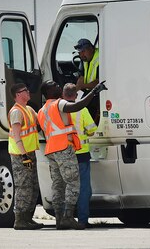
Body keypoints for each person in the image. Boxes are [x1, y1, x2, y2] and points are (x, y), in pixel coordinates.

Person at [37, 80, 103, 230]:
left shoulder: (42, 110)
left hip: (51, 150)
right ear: (49, 92)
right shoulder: (58, 104)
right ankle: (68, 217)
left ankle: (59, 219)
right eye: (55, 85)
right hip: (63, 148)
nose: (58, 86)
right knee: (74, 183)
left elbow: (40, 128)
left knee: (58, 185)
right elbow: (77, 106)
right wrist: (94, 92)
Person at [7, 83, 43, 230]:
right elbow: (16, 135)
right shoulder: (16, 112)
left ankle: (28, 218)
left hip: (29, 153)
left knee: (33, 186)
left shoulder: (28, 109)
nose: (28, 92)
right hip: (20, 155)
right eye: (25, 91)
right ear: (18, 95)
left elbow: (39, 122)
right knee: (23, 186)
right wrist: (24, 156)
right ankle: (20, 220)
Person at [63, 84, 98, 228]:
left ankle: (65, 218)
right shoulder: (82, 110)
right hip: (82, 154)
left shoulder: (59, 111)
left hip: (64, 154)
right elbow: (91, 130)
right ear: (76, 96)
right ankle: (82, 220)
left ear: (63, 96)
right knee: (84, 189)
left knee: (66, 187)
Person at [74, 38, 101, 125]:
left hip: (100, 92)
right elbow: (81, 77)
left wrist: (82, 86)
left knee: (87, 106)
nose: (81, 55)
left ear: (91, 48)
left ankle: (91, 128)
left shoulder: (100, 58)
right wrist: (74, 91)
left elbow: (99, 82)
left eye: (83, 51)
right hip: (90, 91)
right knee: (78, 105)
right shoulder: (84, 59)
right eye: (79, 53)